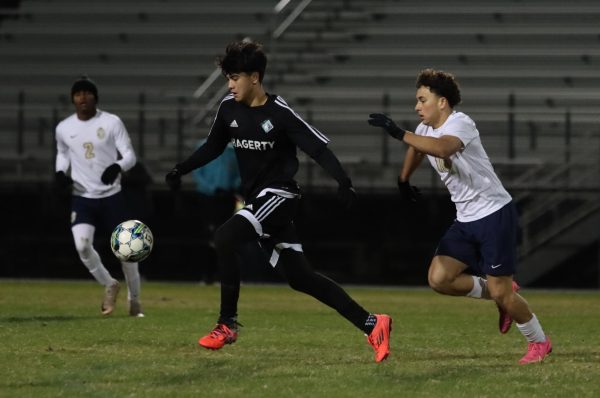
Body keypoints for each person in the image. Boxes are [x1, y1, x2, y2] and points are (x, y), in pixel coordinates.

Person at [165, 40, 392, 362]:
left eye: (235, 78)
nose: (230, 85)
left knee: (224, 237)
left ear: (254, 77)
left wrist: (343, 180)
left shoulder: (279, 112)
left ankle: (226, 324)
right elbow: (214, 147)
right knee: (301, 278)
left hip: (281, 195)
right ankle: (373, 323)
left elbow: (317, 148)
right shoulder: (228, 108)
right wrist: (180, 169)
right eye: (228, 78)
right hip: (258, 200)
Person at [367, 68, 552, 365]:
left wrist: (398, 132)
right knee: (439, 278)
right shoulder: (426, 128)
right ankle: (500, 294)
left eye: (422, 99)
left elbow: (442, 148)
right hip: (466, 219)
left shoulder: (460, 123)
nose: (417, 106)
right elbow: (418, 147)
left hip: (494, 214)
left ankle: (539, 341)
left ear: (442, 102)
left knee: (502, 293)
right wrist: (403, 179)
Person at [55, 75, 144, 317]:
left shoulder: (112, 122)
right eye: (78, 93)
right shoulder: (64, 127)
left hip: (112, 196)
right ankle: (109, 283)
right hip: (83, 197)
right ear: (73, 99)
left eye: (87, 92)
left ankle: (134, 301)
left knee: (128, 251)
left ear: (95, 97)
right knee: (82, 246)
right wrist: (60, 172)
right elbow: (63, 154)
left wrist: (117, 166)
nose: (83, 97)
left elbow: (130, 156)